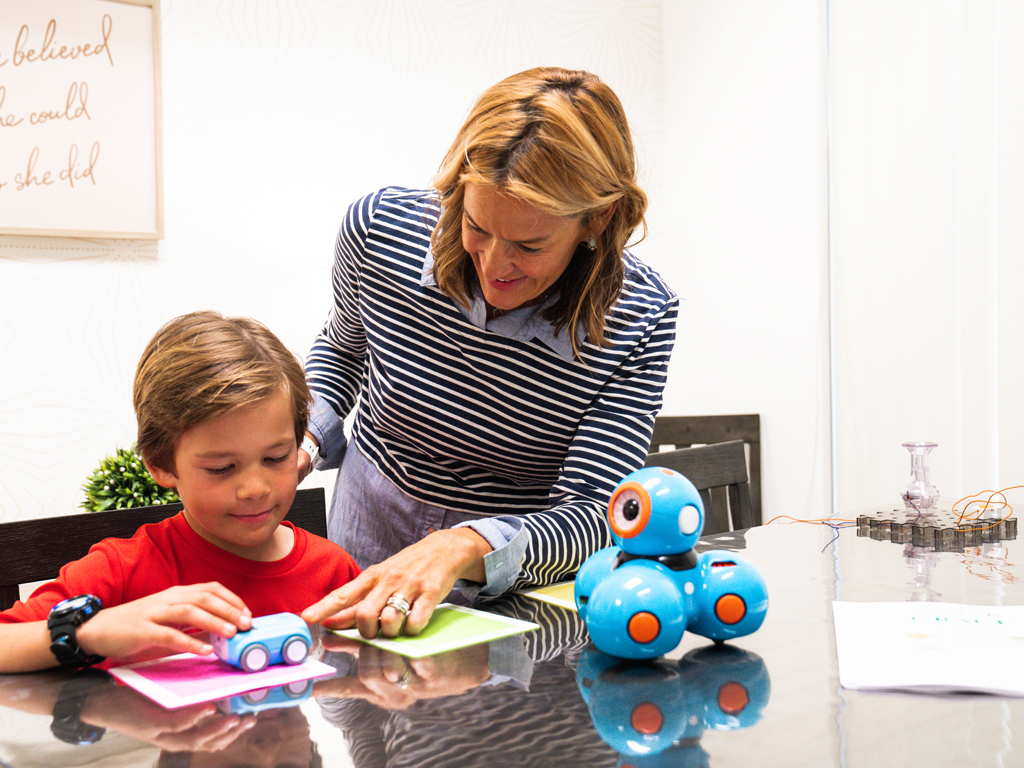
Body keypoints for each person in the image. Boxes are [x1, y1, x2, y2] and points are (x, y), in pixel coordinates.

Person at [300, 67, 677, 640]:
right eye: (477, 226)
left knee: (485, 724)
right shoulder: (378, 229)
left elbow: (598, 513)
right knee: (357, 712)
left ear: (596, 219)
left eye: (529, 245)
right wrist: (301, 440)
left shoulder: (641, 315)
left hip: (516, 573)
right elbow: (342, 352)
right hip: (365, 526)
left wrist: (466, 543)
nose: (494, 265)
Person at [0, 310, 361, 673]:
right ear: (160, 464)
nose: (255, 489)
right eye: (221, 468)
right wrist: (88, 632)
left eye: (276, 457)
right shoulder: (121, 571)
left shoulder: (332, 570)